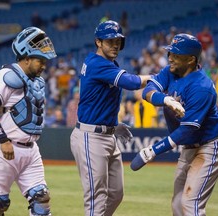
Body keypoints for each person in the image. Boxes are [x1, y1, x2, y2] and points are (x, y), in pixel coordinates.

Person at [70, 20, 179, 216]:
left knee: (116, 194)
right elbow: (131, 82)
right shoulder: (97, 63)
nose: (115, 45)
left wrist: (113, 124)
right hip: (90, 136)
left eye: (118, 41)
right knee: (96, 198)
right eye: (109, 41)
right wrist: (160, 77)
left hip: (106, 134)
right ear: (98, 42)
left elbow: (99, 99)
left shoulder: (106, 63)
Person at [130, 33, 218, 215]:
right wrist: (166, 100)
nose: (170, 59)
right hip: (189, 147)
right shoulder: (170, 72)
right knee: (178, 205)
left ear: (191, 59)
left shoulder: (202, 86)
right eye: (170, 54)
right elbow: (148, 91)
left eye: (176, 55)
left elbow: (187, 131)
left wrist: (153, 151)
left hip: (209, 146)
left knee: (190, 203)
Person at [0, 26, 57, 216]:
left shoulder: (37, 81)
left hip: (31, 150)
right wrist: (3, 140)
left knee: (41, 201)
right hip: (3, 148)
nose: (44, 65)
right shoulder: (6, 77)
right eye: (40, 60)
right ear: (26, 58)